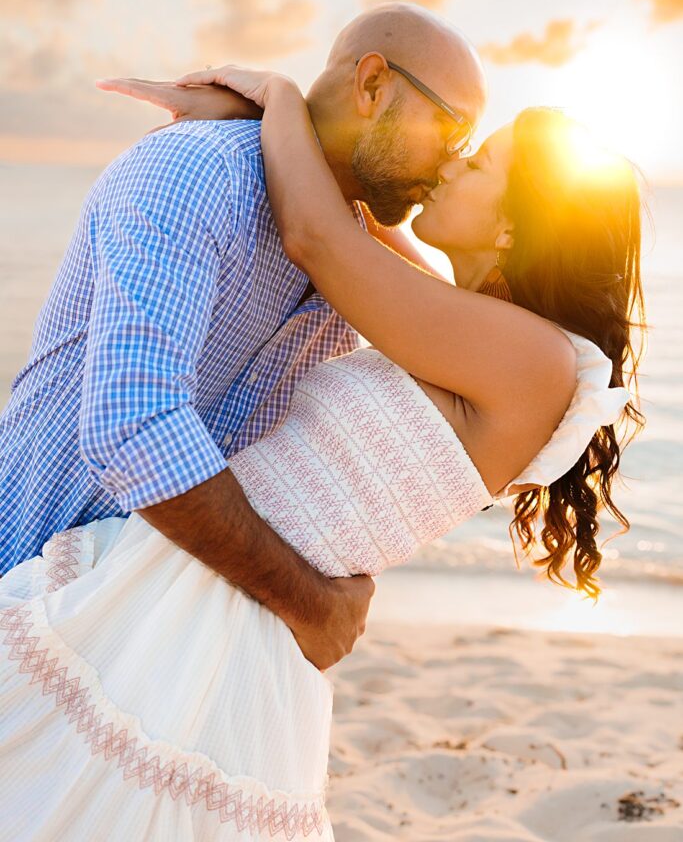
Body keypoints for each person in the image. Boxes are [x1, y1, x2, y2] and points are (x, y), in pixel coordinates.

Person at [0, 58, 643, 841]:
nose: (448, 163)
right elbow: (351, 218)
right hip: (197, 580)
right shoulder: (459, 319)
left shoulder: (528, 359)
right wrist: (253, 120)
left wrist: (276, 94)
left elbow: (319, 237)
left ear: (510, 224)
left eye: (475, 162)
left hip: (225, 611)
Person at [0, 3, 487, 671]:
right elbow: (133, 426)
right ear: (372, 86)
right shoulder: (200, 173)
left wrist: (281, 107)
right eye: (452, 126)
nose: (452, 159)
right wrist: (308, 602)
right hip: (25, 583)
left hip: (137, 637)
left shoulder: (345, 246)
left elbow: (467, 328)